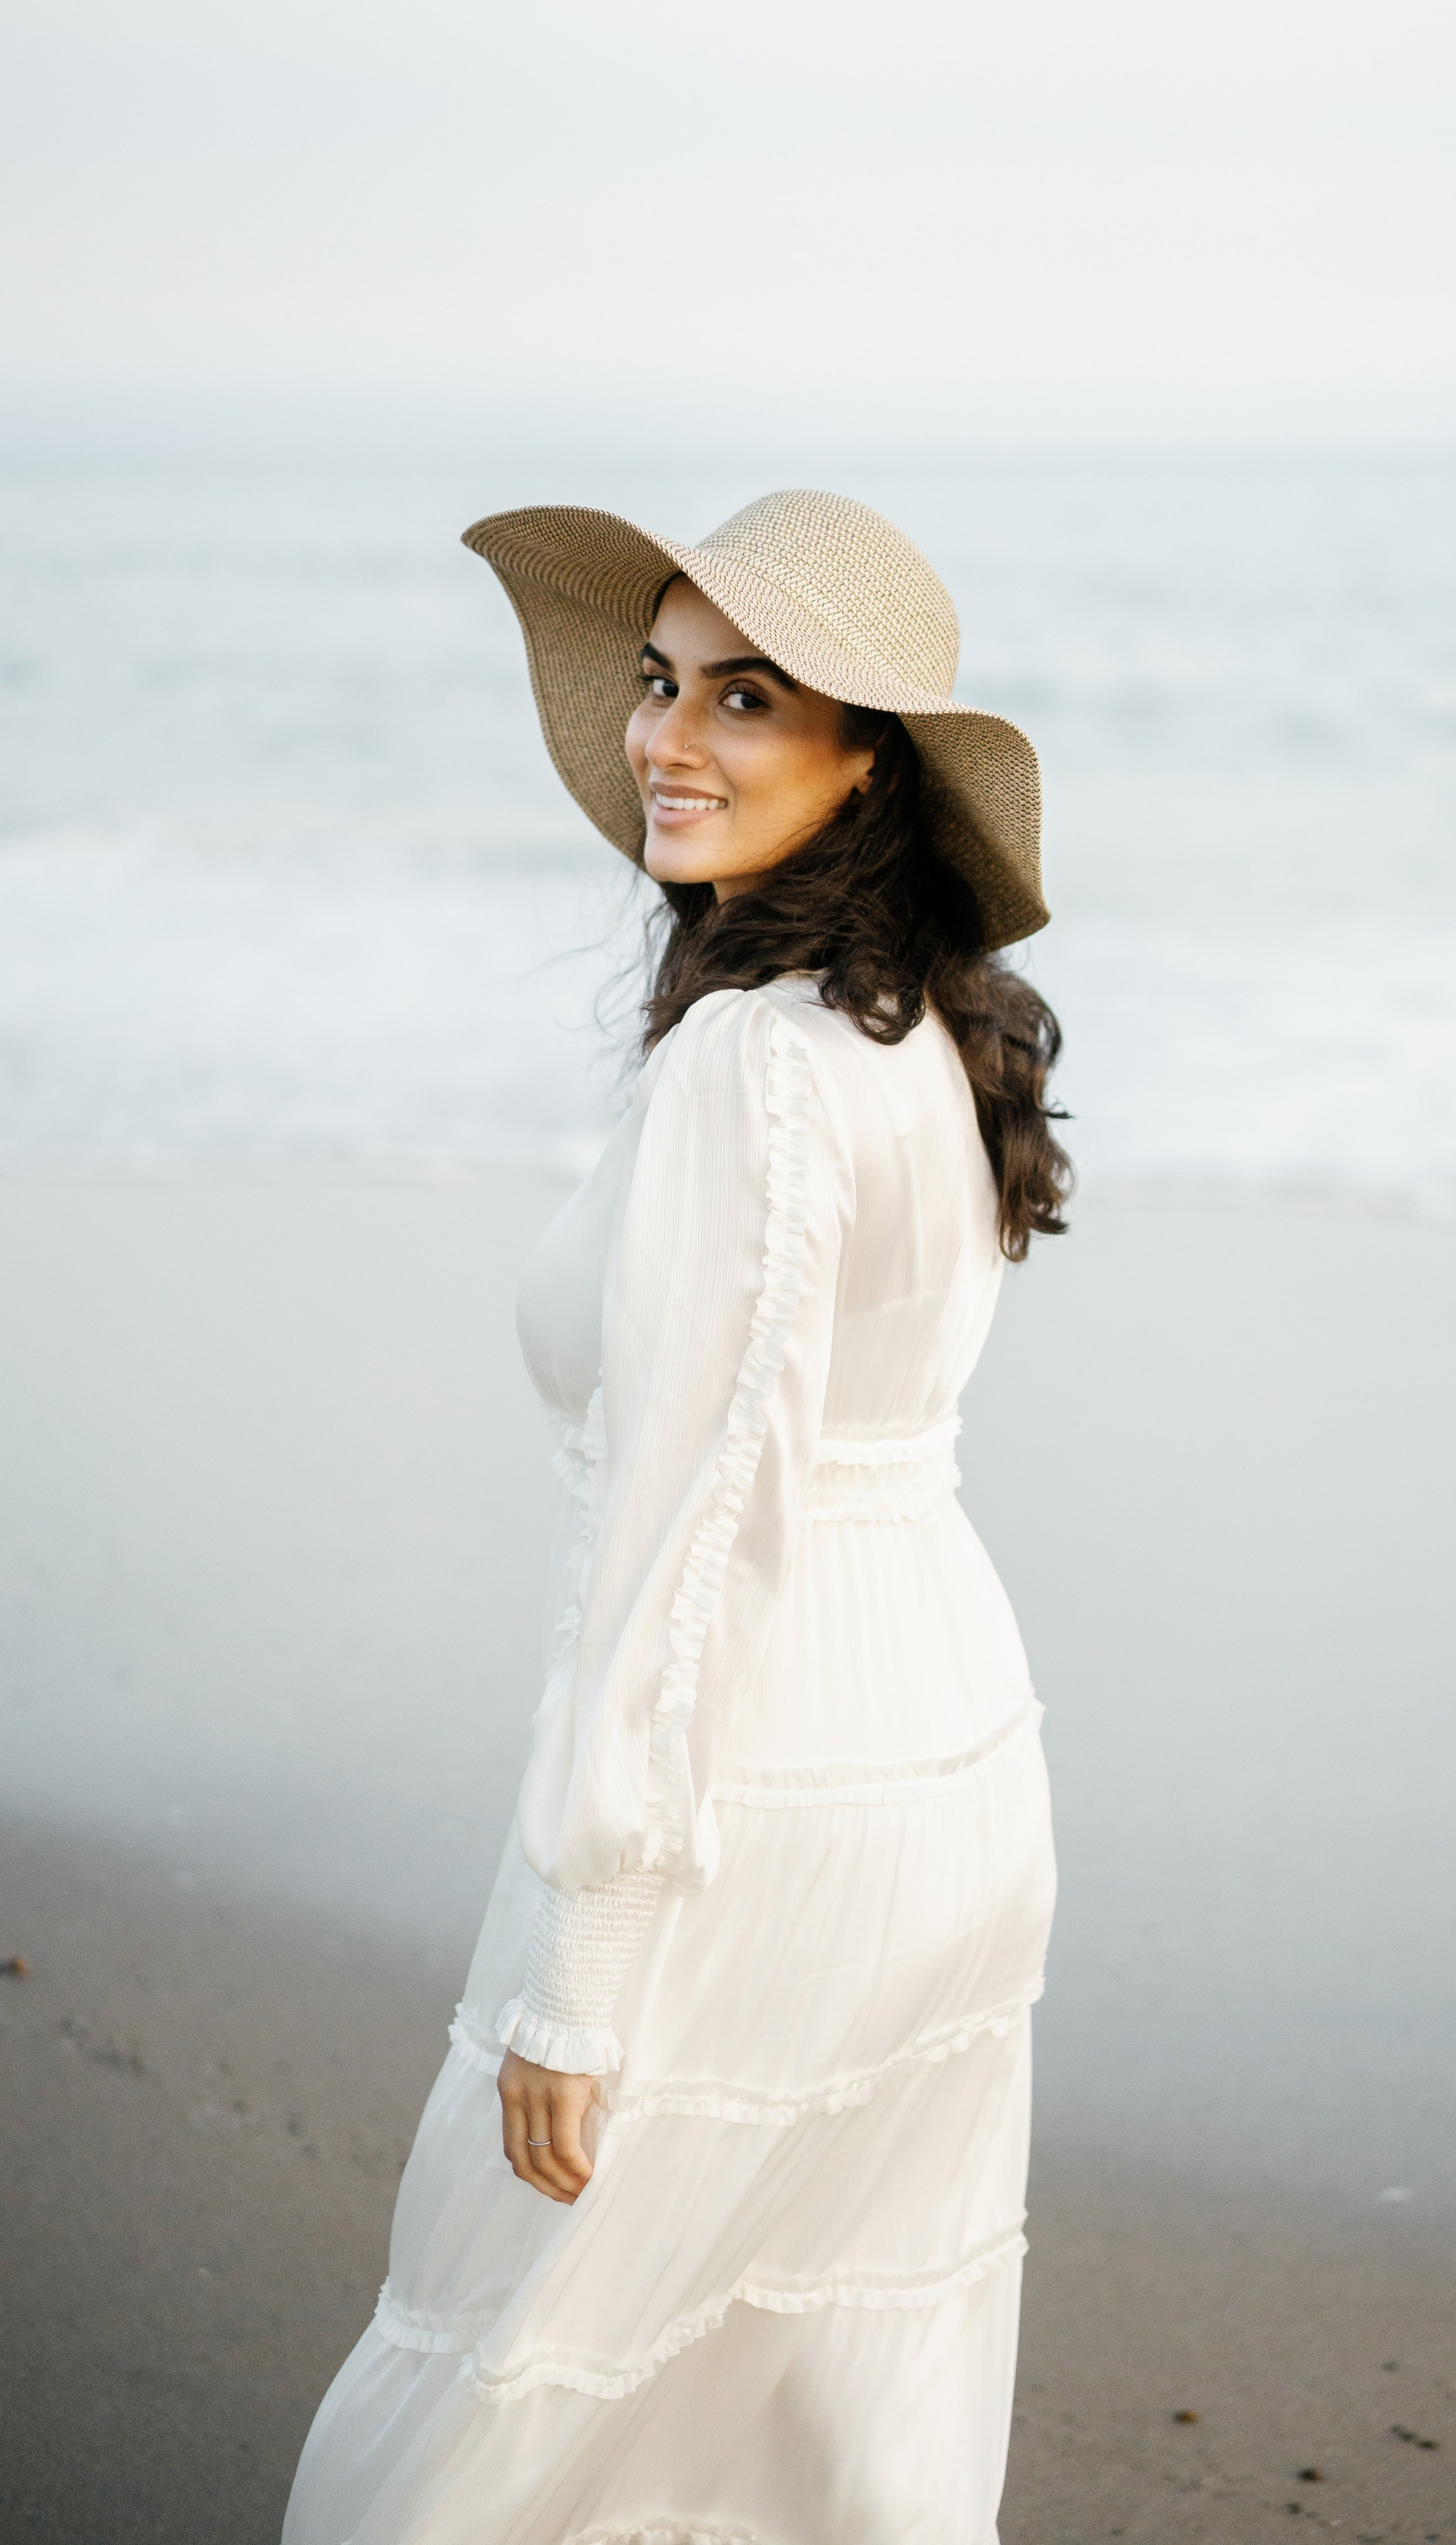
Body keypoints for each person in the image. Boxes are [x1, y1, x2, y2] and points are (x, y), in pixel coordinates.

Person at [283, 489, 1069, 2545]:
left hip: (761, 1805)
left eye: (748, 695)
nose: (669, 738)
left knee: (496, 2425)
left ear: (866, 758)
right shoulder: (934, 1041)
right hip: (952, 1784)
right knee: (836, 2433)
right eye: (657, 681)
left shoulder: (748, 1069)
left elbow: (689, 1522)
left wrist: (587, 1961)